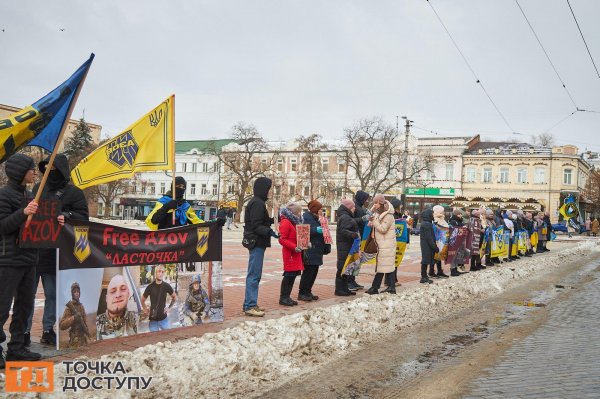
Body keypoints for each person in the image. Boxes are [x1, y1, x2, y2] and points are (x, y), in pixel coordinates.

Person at [25, 154, 89, 347]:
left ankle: (47, 329)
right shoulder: (38, 189)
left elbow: (84, 218)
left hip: (56, 254)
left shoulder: (74, 193)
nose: (49, 174)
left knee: (52, 295)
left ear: (61, 170)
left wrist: (67, 216)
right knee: (27, 295)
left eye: (53, 170)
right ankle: (25, 331)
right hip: (34, 251)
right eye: (46, 170)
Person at [0, 154, 41, 368]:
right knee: (2, 306)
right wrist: (23, 212)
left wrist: (56, 219)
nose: (34, 172)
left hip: (29, 257)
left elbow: (36, 224)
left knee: (25, 306)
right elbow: (3, 226)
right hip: (8, 260)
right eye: (31, 169)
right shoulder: (3, 195)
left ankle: (17, 347)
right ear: (19, 172)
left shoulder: (30, 194)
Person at [242, 177, 278, 317]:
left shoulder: (258, 202)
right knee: (254, 275)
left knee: (254, 274)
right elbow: (256, 225)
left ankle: (249, 303)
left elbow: (261, 221)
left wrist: (275, 220)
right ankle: (250, 305)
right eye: (268, 189)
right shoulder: (257, 203)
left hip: (257, 241)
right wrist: (270, 232)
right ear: (263, 188)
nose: (270, 192)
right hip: (256, 242)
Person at [365, 195, 397, 295]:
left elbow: (383, 229)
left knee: (386, 265)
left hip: (386, 243)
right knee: (385, 265)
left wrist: (373, 220)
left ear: (381, 203)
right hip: (382, 243)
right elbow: (369, 224)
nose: (374, 205)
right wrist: (372, 212)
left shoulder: (388, 215)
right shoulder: (379, 213)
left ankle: (378, 287)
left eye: (376, 203)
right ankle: (387, 287)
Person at [298, 200, 327, 301]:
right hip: (310, 249)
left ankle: (308, 291)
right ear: (315, 209)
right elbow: (303, 230)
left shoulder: (317, 218)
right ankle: (302, 292)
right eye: (320, 209)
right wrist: (316, 230)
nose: (321, 211)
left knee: (314, 271)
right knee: (308, 272)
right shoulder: (306, 217)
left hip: (317, 249)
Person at [278, 202, 304, 306]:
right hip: (290, 253)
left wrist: (306, 243)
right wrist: (294, 247)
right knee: (288, 275)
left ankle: (287, 297)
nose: (299, 214)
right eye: (298, 212)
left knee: (293, 275)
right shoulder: (285, 222)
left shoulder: (294, 222)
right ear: (293, 212)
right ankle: (283, 297)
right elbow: (282, 240)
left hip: (296, 253)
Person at [96, 274, 138, 340]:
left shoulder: (137, 319)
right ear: (106, 298)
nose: (118, 295)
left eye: (123, 289)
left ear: (128, 294)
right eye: (112, 291)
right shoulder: (95, 323)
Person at [335, 199, 360, 295]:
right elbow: (343, 230)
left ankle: (344, 289)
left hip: (347, 245)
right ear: (349, 207)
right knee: (342, 268)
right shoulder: (345, 217)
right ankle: (339, 290)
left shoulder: (346, 216)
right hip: (345, 246)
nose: (354, 209)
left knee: (346, 268)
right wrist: (353, 234)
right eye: (353, 207)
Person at [141, 265, 177, 331]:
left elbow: (174, 297)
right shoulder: (150, 287)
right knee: (154, 340)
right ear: (155, 273)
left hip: (164, 320)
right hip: (153, 321)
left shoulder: (166, 286)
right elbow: (142, 300)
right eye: (159, 271)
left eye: (162, 272)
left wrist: (169, 308)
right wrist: (145, 310)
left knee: (167, 338)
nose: (161, 273)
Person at [349, 191, 370, 291]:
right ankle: (349, 281)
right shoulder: (355, 207)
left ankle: (353, 280)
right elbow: (351, 221)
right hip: (355, 236)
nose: (367, 201)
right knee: (353, 260)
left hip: (360, 236)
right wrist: (362, 218)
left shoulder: (361, 207)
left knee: (357, 260)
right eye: (366, 199)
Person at [58, 282, 91, 347]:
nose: (76, 293)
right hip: (74, 341)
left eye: (78, 291)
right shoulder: (69, 307)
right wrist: (73, 318)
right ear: (72, 294)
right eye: (75, 292)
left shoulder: (81, 306)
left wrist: (86, 331)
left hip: (83, 340)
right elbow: (61, 325)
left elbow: (85, 322)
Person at [432, 205, 450, 277]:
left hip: (442, 241)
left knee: (439, 256)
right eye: (442, 211)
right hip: (437, 240)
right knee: (434, 256)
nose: (443, 212)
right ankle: (432, 271)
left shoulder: (442, 219)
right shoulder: (434, 219)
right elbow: (434, 230)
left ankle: (439, 271)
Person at [419, 208, 437, 284]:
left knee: (426, 260)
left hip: (425, 245)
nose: (433, 215)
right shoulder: (427, 224)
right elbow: (429, 237)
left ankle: (424, 276)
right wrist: (434, 247)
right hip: (426, 245)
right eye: (432, 214)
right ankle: (423, 277)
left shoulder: (426, 223)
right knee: (425, 261)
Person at [449, 208, 467, 273]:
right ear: (456, 215)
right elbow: (453, 230)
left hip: (459, 241)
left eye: (461, 214)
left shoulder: (460, 221)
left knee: (457, 255)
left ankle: (456, 268)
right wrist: (461, 228)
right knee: (453, 255)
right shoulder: (453, 221)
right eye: (459, 214)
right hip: (454, 241)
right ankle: (452, 269)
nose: (460, 215)